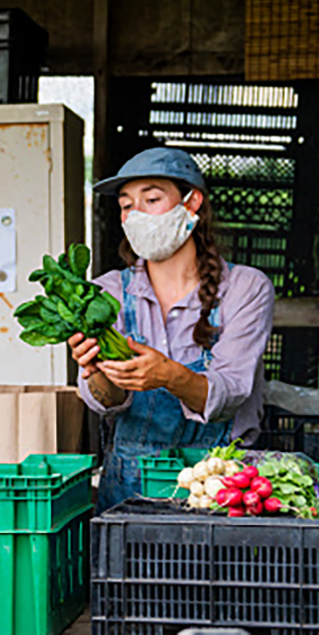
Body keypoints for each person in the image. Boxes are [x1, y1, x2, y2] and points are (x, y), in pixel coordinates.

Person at [72, 147, 275, 513]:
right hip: (127, 491)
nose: (135, 214)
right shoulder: (105, 294)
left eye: (151, 198)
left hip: (222, 488)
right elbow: (107, 401)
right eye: (126, 205)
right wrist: (94, 372)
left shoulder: (246, 288)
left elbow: (230, 394)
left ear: (191, 202)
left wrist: (168, 375)